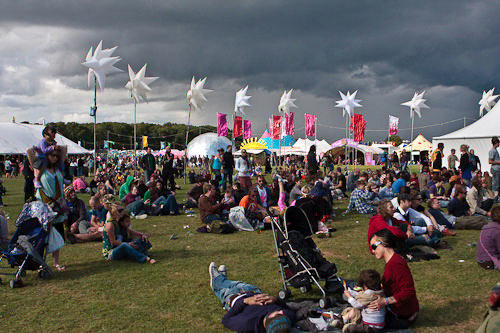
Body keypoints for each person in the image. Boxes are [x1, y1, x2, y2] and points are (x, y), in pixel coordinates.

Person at [208, 262, 296, 332]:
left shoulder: (247, 324)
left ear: (268, 320)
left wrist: (245, 302)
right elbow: (289, 310)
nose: (281, 311)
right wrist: (276, 299)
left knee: (226, 288)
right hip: (254, 291)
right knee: (239, 284)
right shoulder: (286, 319)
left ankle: (218, 280)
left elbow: (226, 320)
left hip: (235, 297)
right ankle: (221, 278)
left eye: (278, 314)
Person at [368, 229, 419, 329]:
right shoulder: (393, 261)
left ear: (383, 243)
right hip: (399, 311)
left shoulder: (396, 263)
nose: (373, 251)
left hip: (403, 315)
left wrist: (385, 301)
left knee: (370, 322)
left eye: (374, 246)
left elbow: (408, 291)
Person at [33, 146, 68, 271]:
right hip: (44, 205)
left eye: (56, 156)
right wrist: (47, 148)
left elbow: (64, 149)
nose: (54, 157)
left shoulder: (58, 168)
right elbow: (29, 151)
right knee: (42, 235)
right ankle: (40, 262)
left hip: (58, 204)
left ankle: (55, 262)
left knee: (58, 233)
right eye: (52, 155)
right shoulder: (40, 168)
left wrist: (56, 147)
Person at [26, 124, 60, 189]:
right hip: (40, 158)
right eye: (50, 135)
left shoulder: (53, 142)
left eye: (54, 135)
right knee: (38, 167)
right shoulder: (43, 141)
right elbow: (44, 150)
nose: (53, 137)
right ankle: (37, 181)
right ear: (45, 135)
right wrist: (53, 148)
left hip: (48, 159)